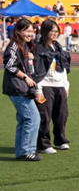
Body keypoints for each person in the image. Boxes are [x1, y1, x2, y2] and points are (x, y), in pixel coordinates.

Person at [2, 18, 42, 161]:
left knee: (24, 119)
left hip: (22, 88)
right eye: (27, 31)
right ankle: (27, 151)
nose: (30, 34)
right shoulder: (14, 46)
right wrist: (25, 77)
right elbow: (9, 65)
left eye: (32, 31)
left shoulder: (25, 46)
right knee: (33, 118)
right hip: (17, 88)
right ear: (18, 31)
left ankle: (21, 151)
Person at [35, 20, 71, 155]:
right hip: (45, 86)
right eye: (52, 31)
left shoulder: (58, 47)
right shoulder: (38, 48)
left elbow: (63, 68)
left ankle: (60, 140)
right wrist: (38, 89)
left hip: (59, 86)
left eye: (57, 31)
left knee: (62, 114)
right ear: (45, 32)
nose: (55, 34)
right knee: (44, 115)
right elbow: (36, 71)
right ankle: (43, 144)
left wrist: (65, 85)